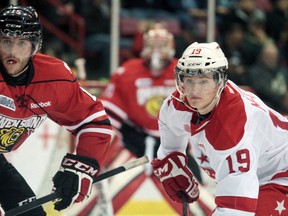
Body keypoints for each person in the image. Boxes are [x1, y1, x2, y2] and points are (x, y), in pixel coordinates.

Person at [151, 41, 288, 215]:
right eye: (189, 80)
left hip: (280, 175)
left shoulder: (232, 129)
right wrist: (172, 160)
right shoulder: (175, 106)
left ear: (220, 81)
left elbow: (236, 211)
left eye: (203, 81)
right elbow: (169, 143)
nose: (194, 90)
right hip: (258, 173)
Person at [0, 5, 112, 215]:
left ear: (35, 45)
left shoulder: (54, 77)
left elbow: (94, 121)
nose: (12, 52)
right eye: (6, 41)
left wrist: (81, 167)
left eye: (21, 43)